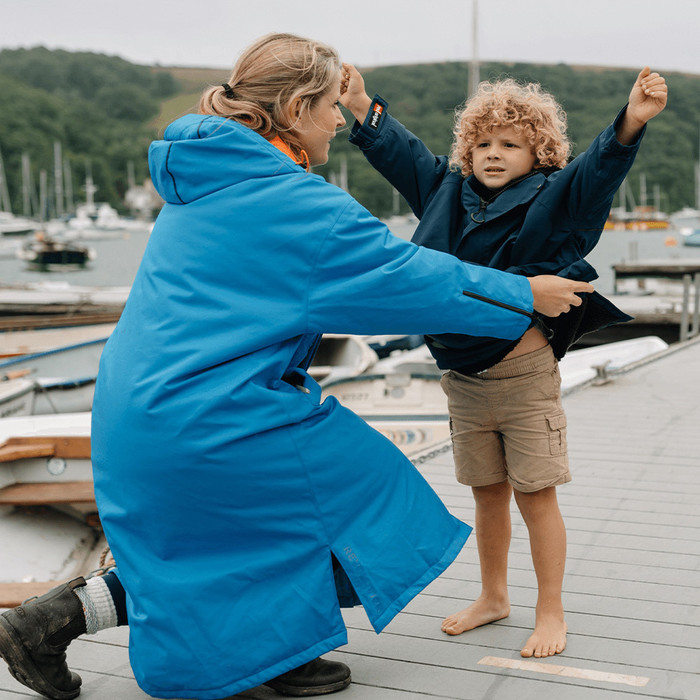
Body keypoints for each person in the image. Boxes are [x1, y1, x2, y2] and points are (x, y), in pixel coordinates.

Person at [0, 34, 592, 700]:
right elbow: (400, 276)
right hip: (212, 418)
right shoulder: (291, 202)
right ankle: (275, 648)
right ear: (295, 106)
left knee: (242, 538)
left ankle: (47, 623)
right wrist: (523, 294)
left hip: (141, 413)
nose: (340, 119)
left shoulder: (204, 178)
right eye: (330, 105)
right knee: (377, 510)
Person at [341, 64, 667, 658]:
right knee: (486, 492)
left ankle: (550, 609)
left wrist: (631, 121)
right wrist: (364, 108)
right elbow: (402, 154)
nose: (494, 154)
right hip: (461, 379)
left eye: (510, 144)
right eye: (484, 143)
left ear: (538, 152)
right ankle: (493, 596)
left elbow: (597, 170)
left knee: (535, 494)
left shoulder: (555, 197)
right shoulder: (445, 191)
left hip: (524, 377)